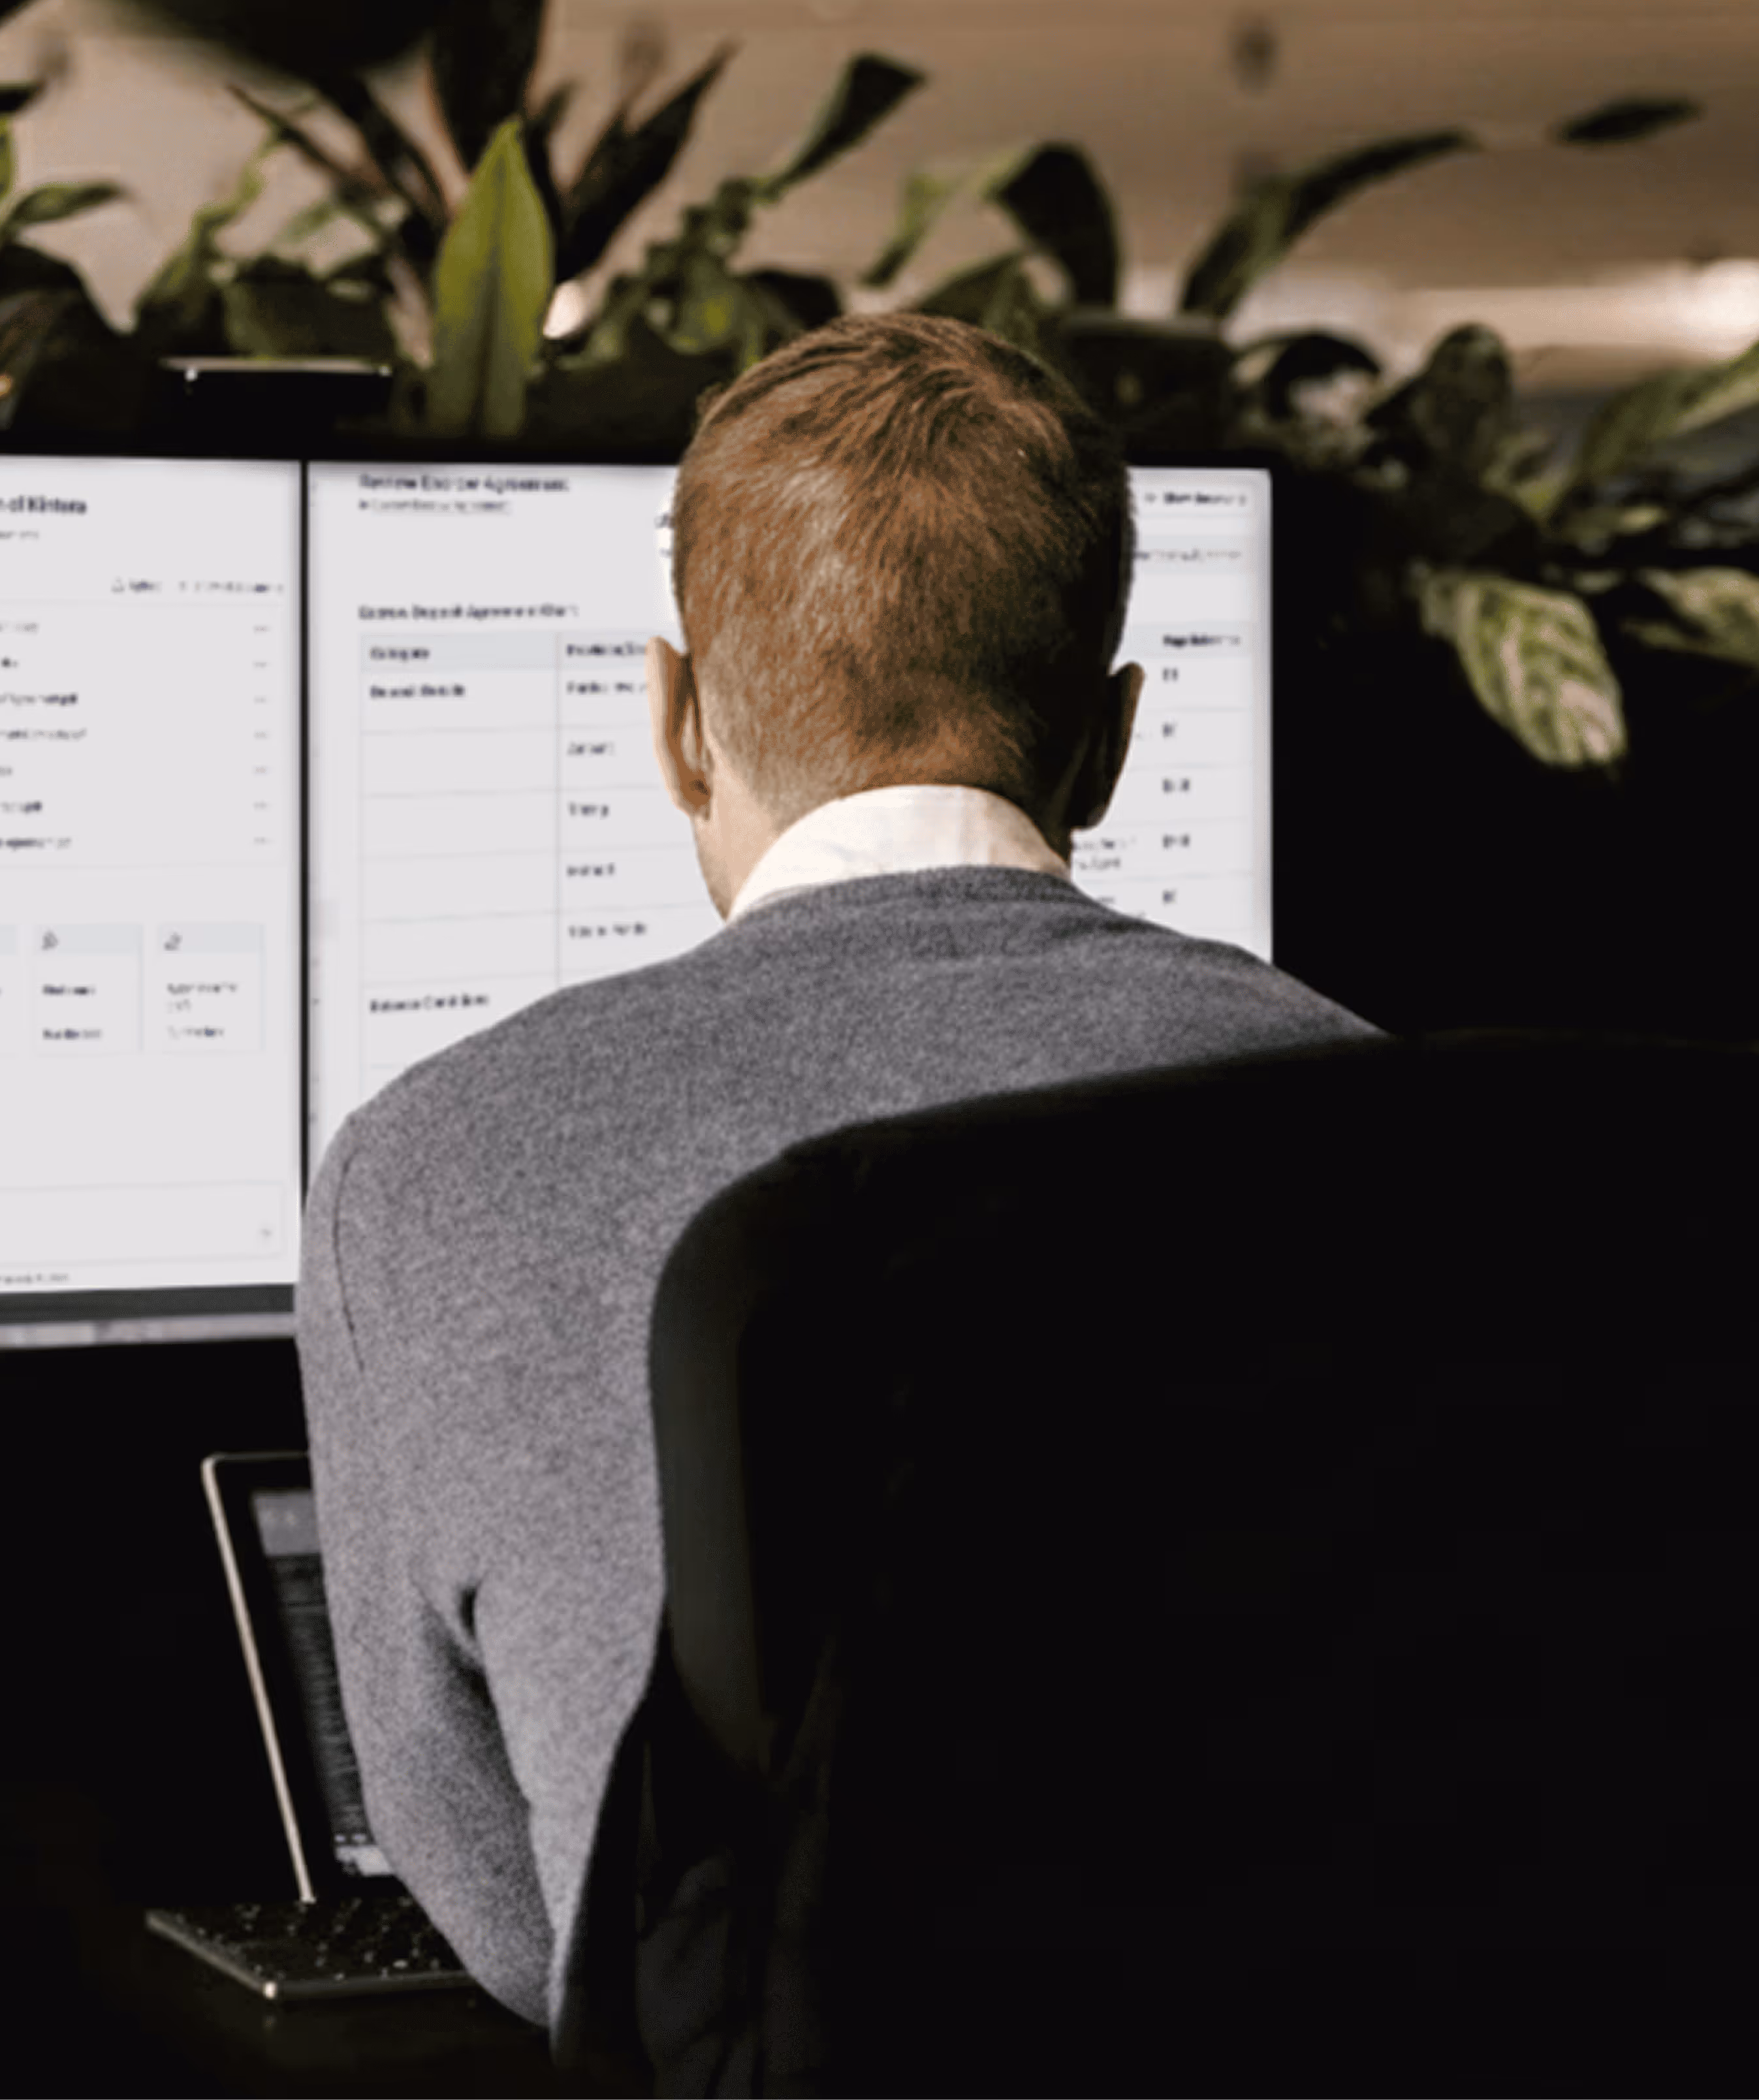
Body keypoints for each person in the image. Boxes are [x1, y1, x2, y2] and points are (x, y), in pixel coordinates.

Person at [296, 310, 1380, 2026]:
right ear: (1107, 739)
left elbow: (524, 1916)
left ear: (673, 729)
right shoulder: (1363, 1101)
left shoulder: (424, 1162)